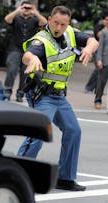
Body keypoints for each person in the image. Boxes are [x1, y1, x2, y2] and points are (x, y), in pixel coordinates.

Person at [17, 6, 98, 191]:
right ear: (49, 19)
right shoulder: (41, 40)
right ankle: (18, 176)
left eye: (63, 24)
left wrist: (89, 49)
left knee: (73, 131)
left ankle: (65, 178)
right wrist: (32, 60)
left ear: (68, 24)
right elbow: (27, 55)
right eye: (55, 23)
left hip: (60, 97)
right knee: (36, 135)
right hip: (42, 96)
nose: (59, 27)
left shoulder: (70, 33)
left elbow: (93, 40)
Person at [3, 0, 47, 102]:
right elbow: (7, 19)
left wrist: (35, 12)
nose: (26, 10)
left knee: (25, 73)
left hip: (29, 50)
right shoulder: (16, 18)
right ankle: (7, 93)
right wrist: (18, 10)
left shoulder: (34, 20)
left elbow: (44, 23)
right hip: (15, 48)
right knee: (11, 70)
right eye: (25, 7)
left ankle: (20, 94)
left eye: (29, 8)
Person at [84, 18, 105, 93]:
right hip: (97, 50)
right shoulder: (99, 26)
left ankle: (97, 89)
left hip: (104, 52)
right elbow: (99, 35)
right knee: (98, 69)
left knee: (102, 70)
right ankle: (88, 87)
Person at [94, 12, 108, 109]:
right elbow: (100, 47)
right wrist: (99, 60)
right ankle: (98, 100)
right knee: (101, 82)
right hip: (104, 61)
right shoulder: (104, 32)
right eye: (106, 19)